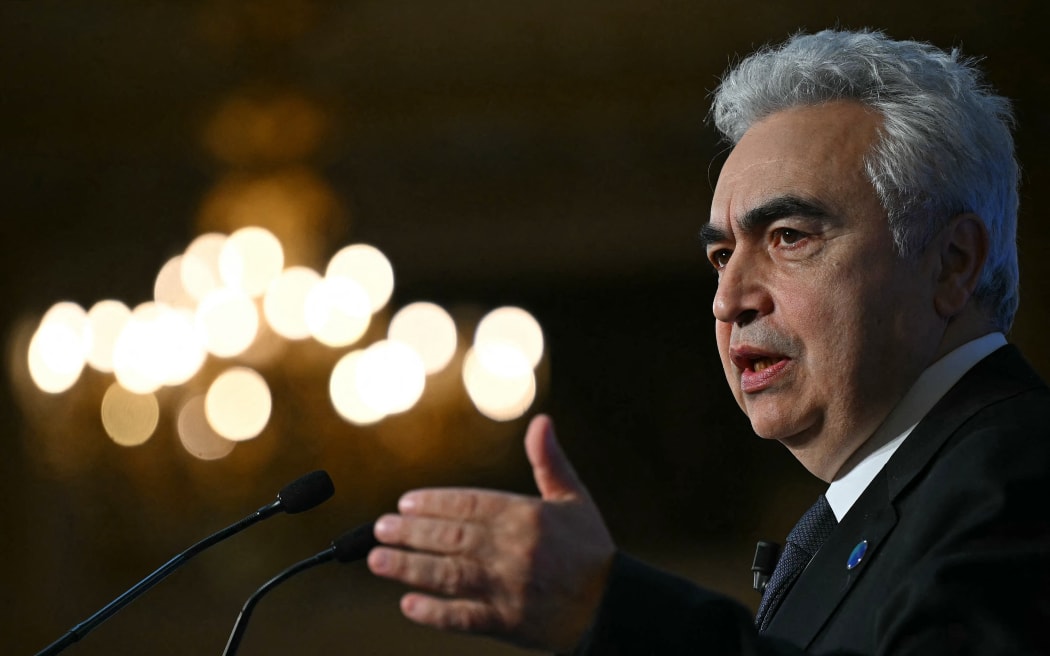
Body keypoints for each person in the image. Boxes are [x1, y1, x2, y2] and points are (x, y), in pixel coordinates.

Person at [366, 29, 1050, 654]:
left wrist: (609, 609)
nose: (728, 301)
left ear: (952, 263)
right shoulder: (882, 507)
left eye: (789, 237)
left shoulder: (1023, 476)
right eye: (722, 256)